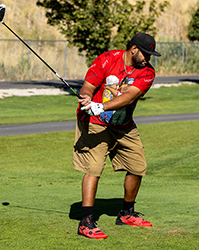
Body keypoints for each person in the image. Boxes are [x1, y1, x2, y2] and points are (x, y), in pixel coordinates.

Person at [73, 33, 161, 239]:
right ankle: (86, 222)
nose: (148, 59)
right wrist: (87, 100)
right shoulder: (106, 59)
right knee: (94, 168)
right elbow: (89, 85)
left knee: (137, 166)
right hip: (94, 122)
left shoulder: (147, 72)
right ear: (133, 50)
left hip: (123, 124)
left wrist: (101, 105)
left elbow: (129, 96)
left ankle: (126, 214)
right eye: (145, 54)